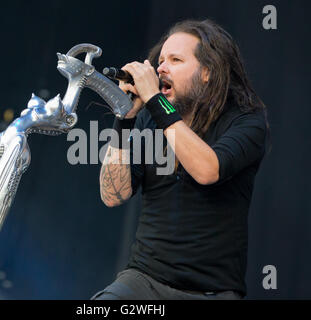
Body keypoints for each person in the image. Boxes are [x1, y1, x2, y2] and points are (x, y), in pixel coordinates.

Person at [93, 19, 270, 300]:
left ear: (207, 72)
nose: (161, 68)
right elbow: (114, 195)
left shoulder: (245, 120)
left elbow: (207, 170)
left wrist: (154, 98)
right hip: (145, 281)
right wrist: (124, 119)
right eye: (161, 60)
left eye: (175, 60)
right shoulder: (150, 118)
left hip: (213, 292)